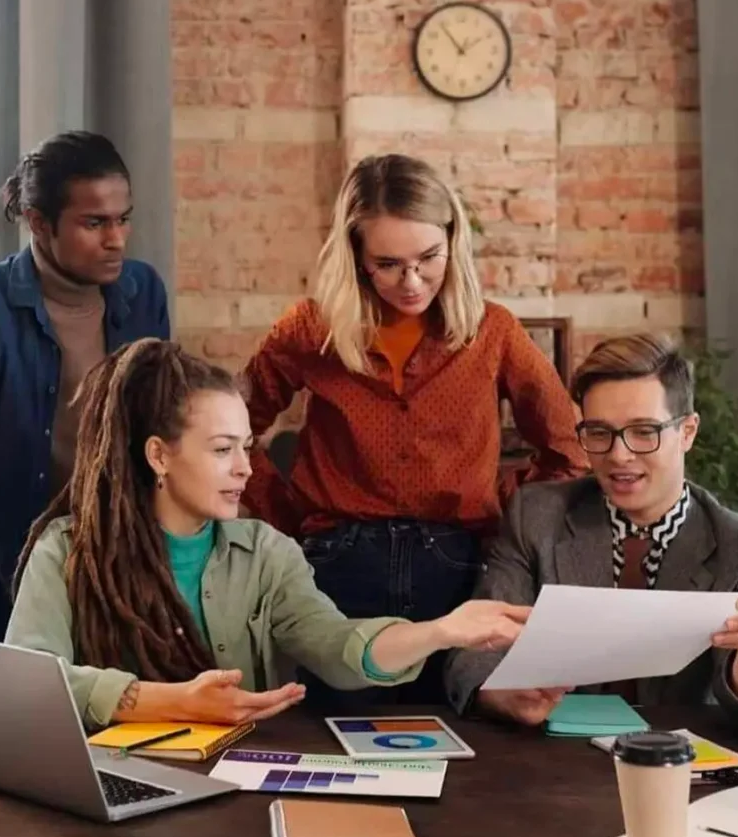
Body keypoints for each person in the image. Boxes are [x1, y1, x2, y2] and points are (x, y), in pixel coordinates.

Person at [5, 340, 529, 731]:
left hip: (237, 795)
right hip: (112, 790)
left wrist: (441, 631)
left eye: (247, 446)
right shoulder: (68, 551)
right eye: (221, 449)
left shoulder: (267, 553)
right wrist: (170, 702)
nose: (245, 469)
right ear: (159, 454)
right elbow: (28, 682)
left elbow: (337, 646)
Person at [241, 153, 587, 706]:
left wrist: (494, 501)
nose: (412, 281)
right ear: (356, 256)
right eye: (388, 263)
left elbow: (569, 450)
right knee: (336, 739)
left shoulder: (493, 332)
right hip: (335, 569)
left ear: (454, 240)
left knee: (459, 745)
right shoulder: (310, 330)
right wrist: (289, 516)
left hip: (454, 568)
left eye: (429, 258)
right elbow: (234, 432)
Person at [445, 333, 738, 728]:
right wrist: (501, 695)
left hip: (683, 766)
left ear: (687, 432)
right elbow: (472, 654)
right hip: (553, 764)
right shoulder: (536, 516)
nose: (619, 455)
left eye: (643, 432)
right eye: (599, 433)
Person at [0, 131, 168, 642]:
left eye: (123, 218)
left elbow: (158, 428)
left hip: (104, 587)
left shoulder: (143, 294)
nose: (116, 239)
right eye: (94, 223)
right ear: (38, 222)